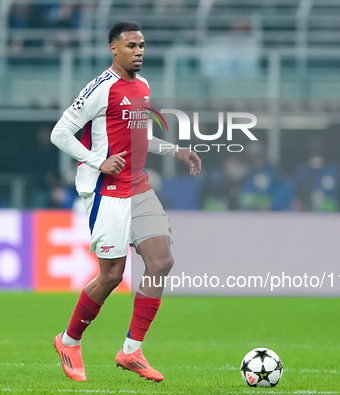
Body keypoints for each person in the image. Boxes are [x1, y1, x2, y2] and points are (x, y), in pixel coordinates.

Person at [49, 21, 201, 382]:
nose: (139, 52)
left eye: (142, 45)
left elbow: (139, 133)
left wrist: (173, 150)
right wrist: (96, 160)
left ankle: (132, 350)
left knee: (161, 261)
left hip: (139, 187)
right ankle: (69, 340)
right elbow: (60, 132)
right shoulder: (101, 88)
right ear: (114, 49)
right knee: (112, 275)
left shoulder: (143, 86)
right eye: (131, 46)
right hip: (106, 190)